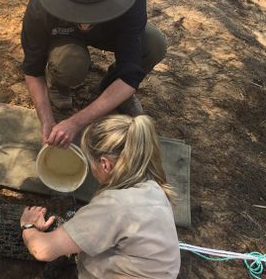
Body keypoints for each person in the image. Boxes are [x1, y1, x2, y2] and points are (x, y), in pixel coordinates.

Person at [20, 115, 180, 278]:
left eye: (91, 163)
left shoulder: (113, 206)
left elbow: (41, 250)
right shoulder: (153, 186)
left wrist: (27, 226)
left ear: (105, 164)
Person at [21, 0, 167, 148]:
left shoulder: (131, 2)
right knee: (69, 64)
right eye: (78, 11)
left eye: (93, 14)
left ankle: (114, 88)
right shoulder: (41, 6)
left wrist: (76, 122)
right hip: (64, 34)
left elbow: (130, 74)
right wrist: (46, 121)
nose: (84, 26)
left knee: (154, 45)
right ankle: (58, 82)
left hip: (110, 30)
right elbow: (33, 69)